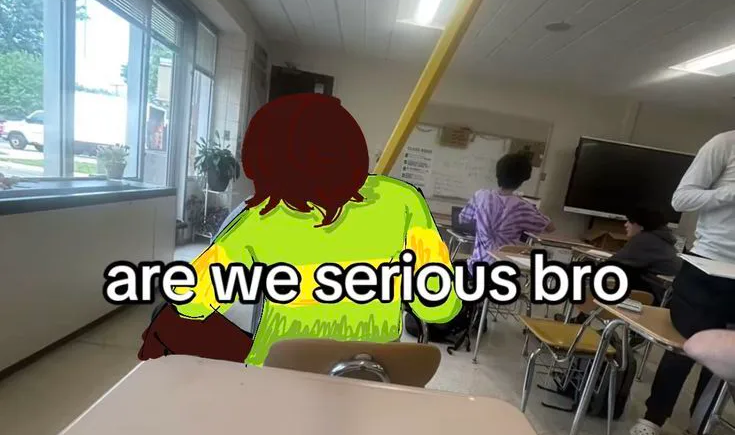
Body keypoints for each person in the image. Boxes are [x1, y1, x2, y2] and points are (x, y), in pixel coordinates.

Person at [139, 94, 461, 367]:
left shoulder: (260, 216)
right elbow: (440, 306)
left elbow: (194, 303)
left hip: (282, 372)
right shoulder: (403, 201)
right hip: (370, 370)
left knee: (165, 318)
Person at [628, 131, 735, 435]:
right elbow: (681, 199)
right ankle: (653, 418)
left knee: (726, 355)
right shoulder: (725, 144)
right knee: (685, 346)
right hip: (708, 264)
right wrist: (729, 193)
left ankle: (702, 425)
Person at [459, 151, 553, 265]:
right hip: (505, 268)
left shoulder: (481, 195)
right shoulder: (523, 207)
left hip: (476, 265)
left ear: (498, 174)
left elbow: (463, 219)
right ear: (523, 179)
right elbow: (550, 228)